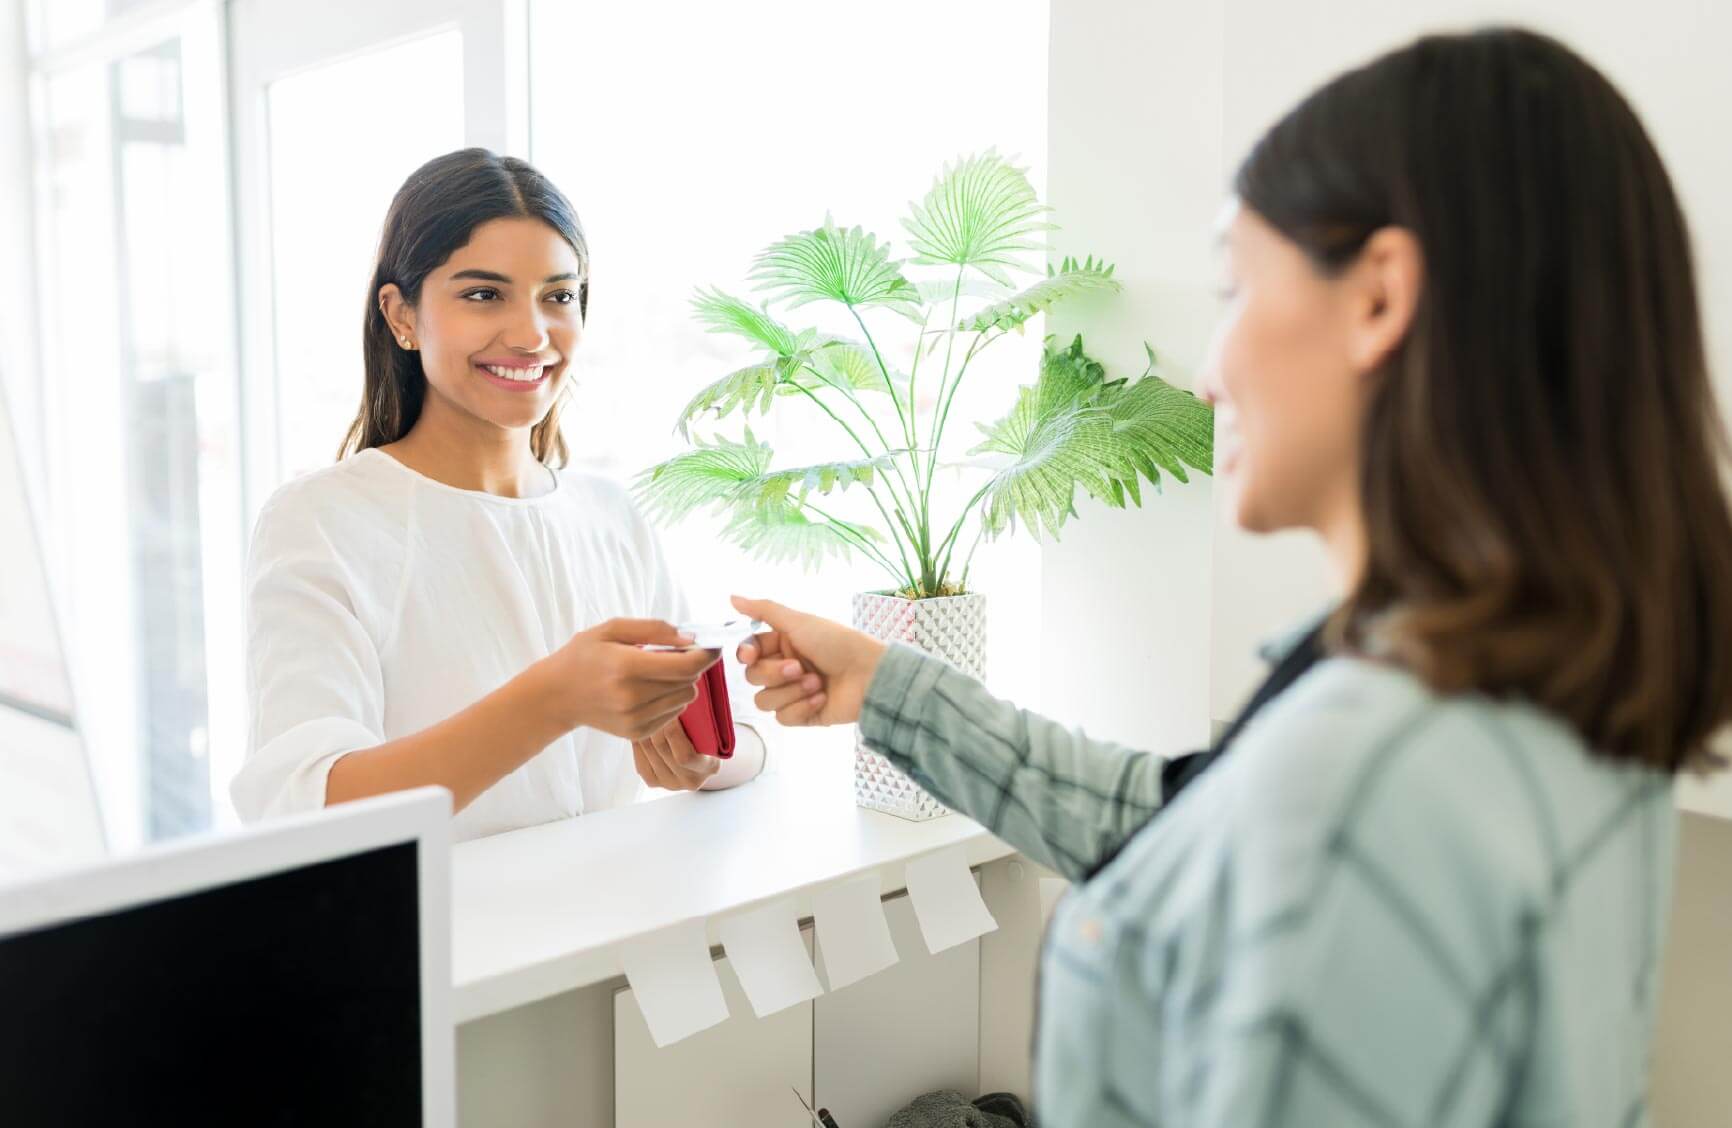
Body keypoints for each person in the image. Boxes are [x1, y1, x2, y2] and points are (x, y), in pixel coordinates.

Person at [732, 28, 1732, 1127]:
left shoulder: (1362, 787)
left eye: (1234, 288)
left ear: (1378, 299)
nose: (1206, 377)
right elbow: (1187, 824)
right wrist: (888, 683)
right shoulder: (1543, 678)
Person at [233, 149, 768, 841]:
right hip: (447, 945)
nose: (530, 334)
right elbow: (307, 808)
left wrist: (709, 753)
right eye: (483, 294)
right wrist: (553, 700)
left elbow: (736, 741)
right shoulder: (322, 522)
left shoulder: (608, 516)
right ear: (401, 315)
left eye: (559, 295)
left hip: (621, 934)